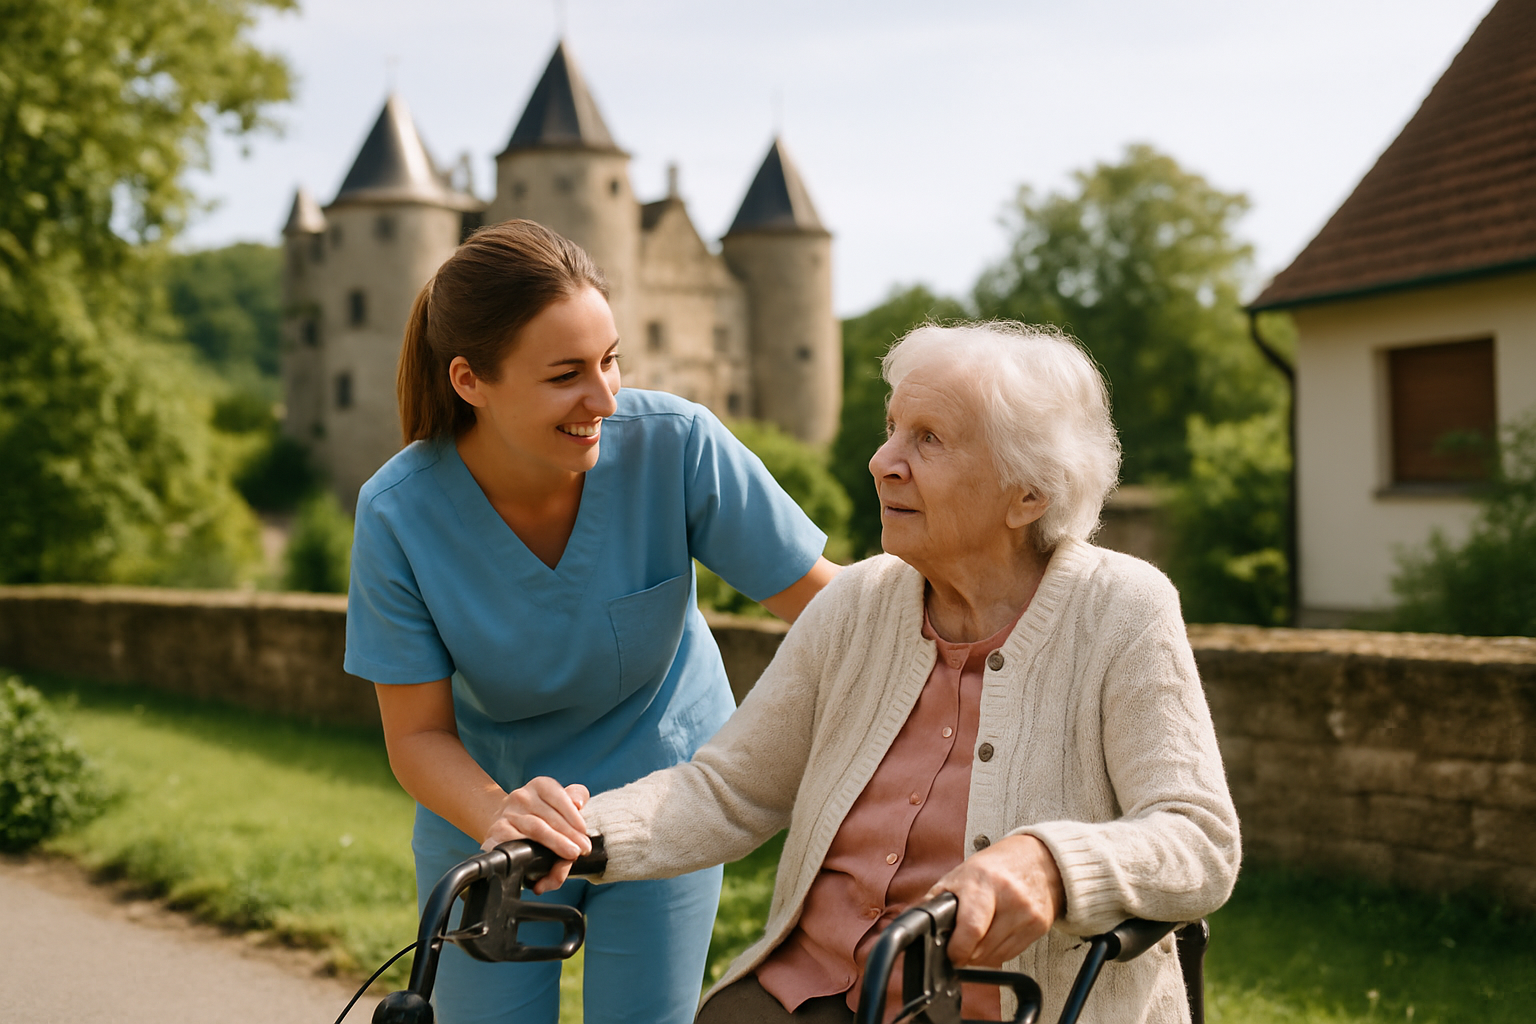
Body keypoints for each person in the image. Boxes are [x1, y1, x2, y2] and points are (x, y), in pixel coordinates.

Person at [495, 321, 1242, 1024]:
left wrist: (1051, 863)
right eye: (892, 430)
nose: (884, 460)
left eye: (929, 439)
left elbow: (1198, 839)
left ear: (1029, 494)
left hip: (997, 1002)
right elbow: (728, 790)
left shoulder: (1121, 609)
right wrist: (581, 830)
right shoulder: (856, 602)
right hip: (805, 991)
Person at [343, 220, 840, 1024]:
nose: (605, 399)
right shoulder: (399, 513)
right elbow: (417, 736)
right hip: (491, 816)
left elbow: (834, 609)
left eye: (611, 360)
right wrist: (500, 815)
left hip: (664, 798)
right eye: (566, 374)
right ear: (471, 380)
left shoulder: (676, 444)